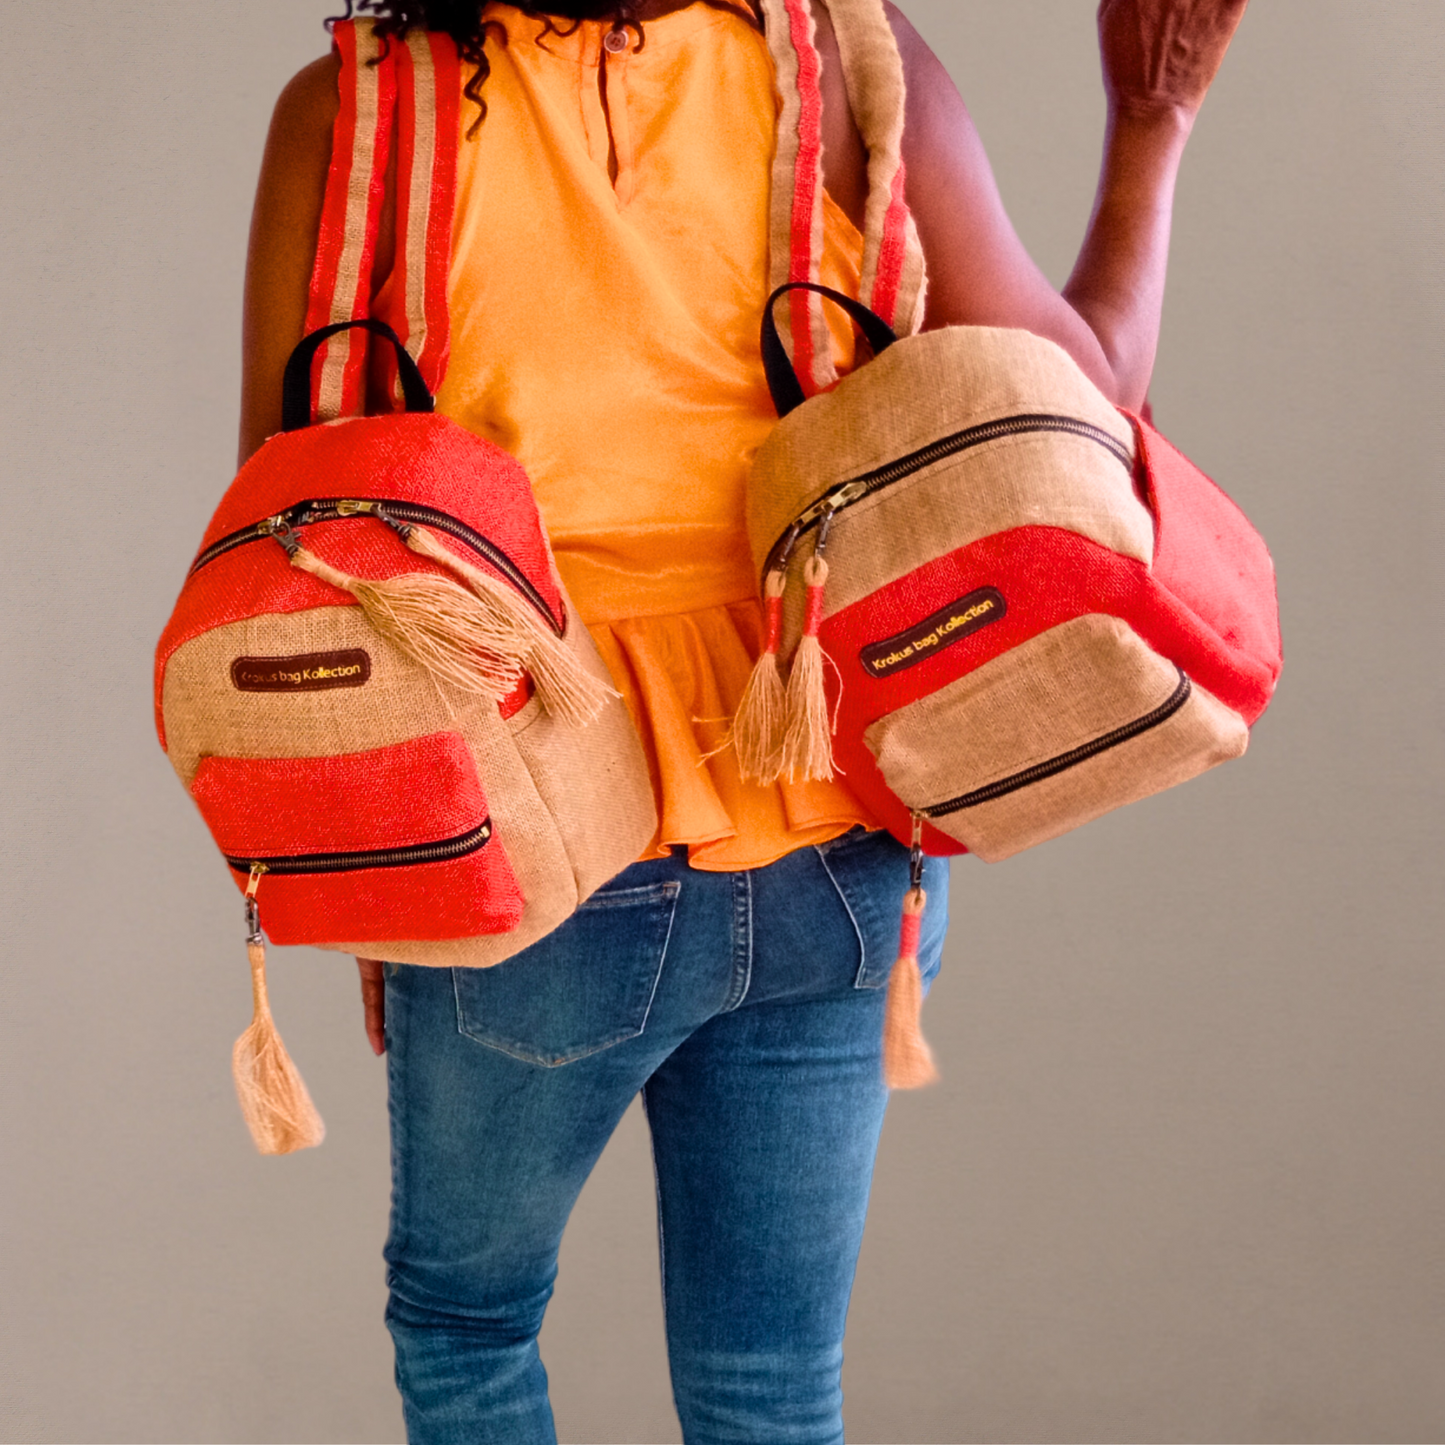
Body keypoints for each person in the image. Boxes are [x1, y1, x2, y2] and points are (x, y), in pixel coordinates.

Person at [239, 0, 1247, 1438]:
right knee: (769, 1381)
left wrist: (383, 869)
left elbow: (295, 549)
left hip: (531, 847)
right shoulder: (848, 56)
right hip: (833, 828)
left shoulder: (353, 116)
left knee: (468, 1325)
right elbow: (1077, 404)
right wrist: (1154, 124)